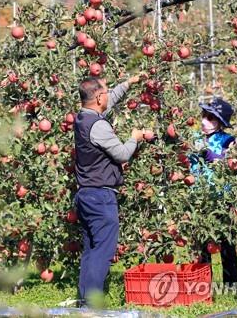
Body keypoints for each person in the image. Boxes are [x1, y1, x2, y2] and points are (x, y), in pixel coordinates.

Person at [74, 75, 145, 307]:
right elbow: (123, 154)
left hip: (85, 194)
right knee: (102, 251)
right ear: (98, 97)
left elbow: (109, 99)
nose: (108, 94)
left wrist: (128, 83)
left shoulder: (83, 117)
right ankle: (92, 305)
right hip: (101, 196)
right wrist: (135, 138)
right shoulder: (99, 126)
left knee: (91, 250)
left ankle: (84, 301)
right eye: (105, 91)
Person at [189, 98, 237, 286]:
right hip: (198, 197)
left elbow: (232, 161)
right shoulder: (194, 138)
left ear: (220, 123)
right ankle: (203, 284)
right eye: (204, 116)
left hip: (221, 197)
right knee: (201, 242)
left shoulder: (228, 140)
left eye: (211, 118)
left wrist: (216, 156)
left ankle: (231, 284)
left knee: (226, 241)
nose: (204, 121)